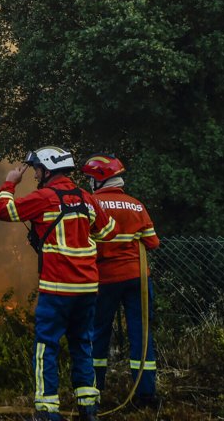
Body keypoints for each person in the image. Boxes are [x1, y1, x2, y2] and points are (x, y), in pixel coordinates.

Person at [0, 146, 117, 421]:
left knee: (46, 346)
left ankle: (47, 411)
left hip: (58, 288)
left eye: (37, 169)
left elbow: (3, 210)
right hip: (87, 288)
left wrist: (10, 182)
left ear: (47, 169)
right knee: (82, 343)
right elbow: (108, 231)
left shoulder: (44, 198)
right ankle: (88, 409)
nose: (36, 174)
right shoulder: (86, 198)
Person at [81, 154, 161, 410]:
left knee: (98, 333)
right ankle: (146, 394)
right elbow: (153, 242)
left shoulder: (92, 204)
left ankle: (93, 391)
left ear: (99, 180)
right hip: (138, 278)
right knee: (141, 334)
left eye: (90, 179)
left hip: (105, 279)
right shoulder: (137, 205)